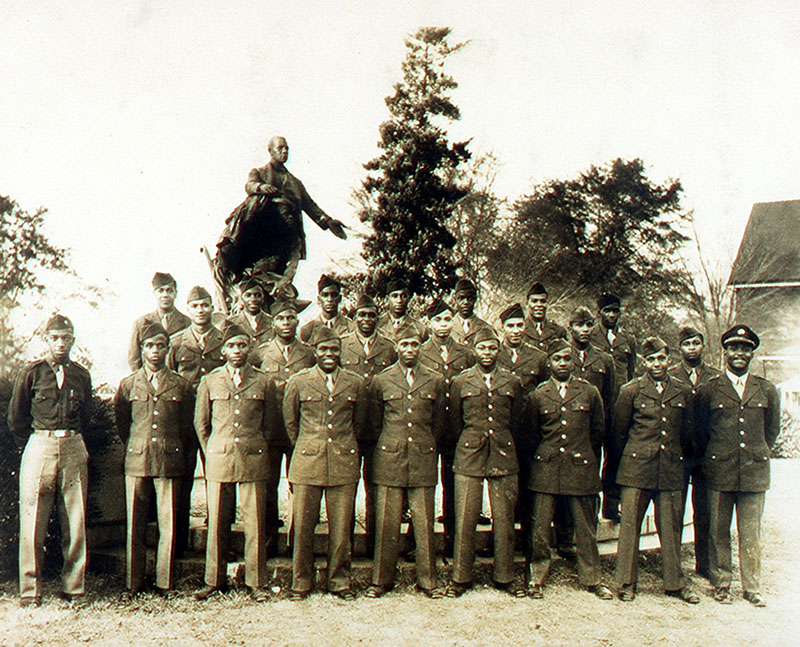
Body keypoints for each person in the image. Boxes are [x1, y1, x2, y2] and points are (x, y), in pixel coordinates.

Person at [7, 314, 93, 607]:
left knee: (76, 518)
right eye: (55, 338)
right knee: (33, 520)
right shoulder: (32, 373)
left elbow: (88, 415)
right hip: (39, 445)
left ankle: (75, 587)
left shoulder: (81, 375)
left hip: (72, 445)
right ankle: (30, 590)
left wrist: (75, 442)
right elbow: (16, 418)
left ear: (73, 340)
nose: (60, 343)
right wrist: (32, 446)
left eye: (66, 338)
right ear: (46, 340)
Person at [695, 325, 780, 607]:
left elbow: (772, 431)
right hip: (720, 470)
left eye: (745, 349)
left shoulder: (766, 389)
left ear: (752, 353)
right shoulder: (709, 390)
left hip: (754, 472)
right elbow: (700, 432)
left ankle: (752, 587)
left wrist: (757, 454)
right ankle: (721, 583)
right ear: (726, 352)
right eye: (734, 348)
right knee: (718, 530)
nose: (739, 354)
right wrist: (715, 457)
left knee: (751, 532)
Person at [283, 327, 369, 600]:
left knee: (342, 528)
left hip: (343, 462)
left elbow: (360, 423)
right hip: (308, 462)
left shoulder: (355, 383)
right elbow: (291, 423)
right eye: (324, 350)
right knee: (304, 526)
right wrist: (310, 446)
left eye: (334, 350)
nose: (329, 355)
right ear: (315, 352)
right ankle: (301, 582)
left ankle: (339, 581)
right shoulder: (299, 382)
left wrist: (342, 446)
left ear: (340, 352)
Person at [612, 337, 699, 604]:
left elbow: (689, 433)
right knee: (630, 528)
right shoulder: (631, 390)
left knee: (671, 527)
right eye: (651, 359)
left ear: (669, 358)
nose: (657, 364)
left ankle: (675, 583)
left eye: (661, 358)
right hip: (636, 469)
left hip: (671, 468)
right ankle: (626, 583)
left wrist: (683, 463)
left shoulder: (683, 391)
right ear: (643, 362)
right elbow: (619, 435)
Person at [524, 339, 613, 600]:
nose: (562, 364)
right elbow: (530, 436)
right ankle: (536, 577)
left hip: (579, 468)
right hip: (547, 470)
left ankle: (592, 578)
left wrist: (581, 453)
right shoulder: (539, 395)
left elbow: (597, 430)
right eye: (557, 359)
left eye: (567, 359)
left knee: (585, 528)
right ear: (549, 363)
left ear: (573, 361)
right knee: (540, 528)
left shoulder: (589, 392)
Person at [193, 325, 276, 602]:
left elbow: (270, 424)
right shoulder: (210, 381)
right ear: (224, 350)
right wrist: (213, 451)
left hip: (253, 458)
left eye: (242, 345)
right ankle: (214, 580)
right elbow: (201, 424)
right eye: (232, 346)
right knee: (217, 521)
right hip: (220, 459)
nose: (237, 351)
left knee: (255, 522)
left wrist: (256, 446)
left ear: (249, 347)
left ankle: (256, 582)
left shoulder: (264, 381)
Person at [365, 325, 446, 598]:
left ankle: (429, 582)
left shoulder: (435, 380)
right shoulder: (382, 380)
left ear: (421, 346)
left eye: (414, 344)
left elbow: (439, 423)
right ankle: (381, 580)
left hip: (422, 456)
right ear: (396, 348)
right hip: (390, 456)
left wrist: (425, 444)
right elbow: (375, 423)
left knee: (424, 522)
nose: (410, 350)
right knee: (387, 520)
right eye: (404, 345)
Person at [115, 323, 195, 598]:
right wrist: (135, 447)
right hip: (137, 460)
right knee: (135, 524)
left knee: (167, 523)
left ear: (168, 348)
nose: (156, 351)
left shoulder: (182, 385)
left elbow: (186, 428)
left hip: (169, 460)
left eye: (161, 345)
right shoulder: (128, 385)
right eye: (150, 346)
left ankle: (165, 582)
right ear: (142, 349)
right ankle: (133, 583)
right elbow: (123, 424)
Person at [445, 328, 524, 597]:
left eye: (492, 348)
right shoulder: (461, 382)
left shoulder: (512, 382)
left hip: (502, 453)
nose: (487, 354)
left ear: (498, 350)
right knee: (466, 516)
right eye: (482, 349)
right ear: (474, 351)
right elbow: (455, 423)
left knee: (504, 518)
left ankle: (504, 576)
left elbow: (516, 421)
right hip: (470, 453)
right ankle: (461, 578)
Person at [216, 136, 347, 289]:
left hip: (285, 235)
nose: (285, 151)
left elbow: (310, 205)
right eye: (280, 148)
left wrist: (327, 221)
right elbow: (250, 185)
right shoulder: (260, 172)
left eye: (287, 148)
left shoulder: (295, 182)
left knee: (278, 273)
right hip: (260, 230)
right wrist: (260, 187)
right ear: (270, 151)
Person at [252, 298, 316, 553]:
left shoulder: (309, 354)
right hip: (270, 429)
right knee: (267, 485)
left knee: (299, 484)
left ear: (297, 320)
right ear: (273, 322)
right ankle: (268, 539)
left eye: (290, 318)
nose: (286, 323)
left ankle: (296, 540)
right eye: (281, 318)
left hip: (301, 430)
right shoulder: (261, 352)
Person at [167, 286, 226, 555]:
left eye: (205, 305)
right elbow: (168, 380)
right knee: (182, 477)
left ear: (212, 307)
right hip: (184, 420)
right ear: (188, 310)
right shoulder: (177, 342)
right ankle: (177, 543)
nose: (201, 310)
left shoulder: (224, 338)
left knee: (219, 478)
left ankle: (220, 541)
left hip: (217, 419)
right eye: (195, 306)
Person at [340, 294, 397, 554]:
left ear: (378, 317)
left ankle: (376, 545)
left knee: (376, 487)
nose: (367, 320)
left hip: (378, 429)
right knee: (346, 489)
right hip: (348, 428)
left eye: (372, 315)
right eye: (362, 315)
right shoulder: (342, 346)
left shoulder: (389, 347)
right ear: (354, 318)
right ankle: (347, 546)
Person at [419, 298, 478, 549]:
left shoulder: (465, 353)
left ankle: (455, 538)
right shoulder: (420, 352)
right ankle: (420, 540)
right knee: (424, 484)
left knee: (454, 483)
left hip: (457, 427)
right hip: (428, 427)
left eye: (447, 319)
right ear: (429, 323)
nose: (443, 325)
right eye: (438, 320)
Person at [496, 303, 547, 558]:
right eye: (510, 326)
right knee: (502, 490)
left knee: (529, 485)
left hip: (529, 431)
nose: (515, 331)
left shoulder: (538, 357)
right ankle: (502, 542)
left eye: (519, 326)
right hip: (501, 429)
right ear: (502, 328)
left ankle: (529, 543)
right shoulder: (493, 354)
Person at [668, 326, 720, 579]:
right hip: (678, 453)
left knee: (706, 510)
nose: (692, 348)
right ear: (680, 348)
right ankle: (674, 565)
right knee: (674, 510)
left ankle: (706, 564)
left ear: (703, 346)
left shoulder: (716, 377)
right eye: (687, 343)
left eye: (696, 343)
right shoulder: (669, 376)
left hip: (707, 453)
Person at [590, 293, 637, 523]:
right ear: (599, 313)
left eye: (615, 311)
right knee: (592, 454)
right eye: (607, 311)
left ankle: (611, 504)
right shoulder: (590, 336)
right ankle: (591, 504)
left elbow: (632, 372)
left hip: (620, 406)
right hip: (596, 405)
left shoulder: (627, 340)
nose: (612, 315)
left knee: (616, 454)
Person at [128, 272, 190, 372]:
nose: (165, 295)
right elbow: (134, 360)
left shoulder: (187, 323)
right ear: (154, 294)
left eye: (170, 291)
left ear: (175, 293)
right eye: (160, 291)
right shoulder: (141, 323)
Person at [219, 278, 274, 350]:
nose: (253, 299)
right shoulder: (230, 323)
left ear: (263, 298)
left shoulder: (273, 322)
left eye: (258, 295)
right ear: (241, 298)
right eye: (248, 295)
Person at [299, 274, 354, 343]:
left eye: (334, 295)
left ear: (340, 298)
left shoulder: (352, 328)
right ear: (319, 299)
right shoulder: (307, 330)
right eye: (325, 295)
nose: (330, 299)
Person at [376, 278, 428, 342]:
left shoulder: (420, 329)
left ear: (409, 299)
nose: (399, 300)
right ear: (387, 299)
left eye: (404, 296)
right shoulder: (376, 324)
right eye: (395, 296)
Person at [522, 282, 567, 352]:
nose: (539, 305)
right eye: (534, 301)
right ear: (527, 304)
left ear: (547, 304)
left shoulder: (559, 331)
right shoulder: (520, 329)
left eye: (543, 301)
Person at [450, 278, 493, 346]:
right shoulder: (446, 328)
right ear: (455, 299)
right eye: (461, 298)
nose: (466, 302)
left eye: (470, 298)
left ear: (475, 299)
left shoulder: (486, 328)